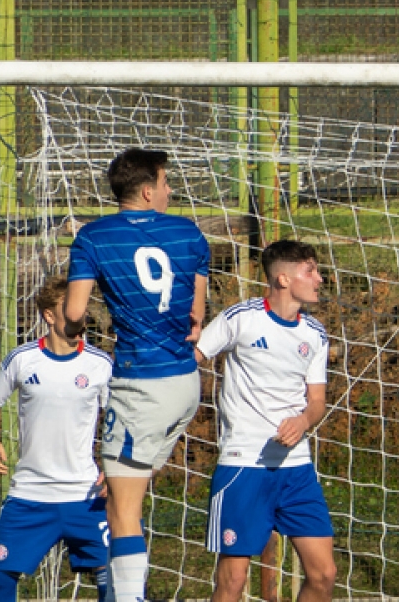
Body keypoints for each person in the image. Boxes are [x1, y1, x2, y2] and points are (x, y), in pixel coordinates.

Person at [64, 147, 210, 602]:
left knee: (122, 508)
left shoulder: (93, 237)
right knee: (131, 484)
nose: (170, 191)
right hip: (186, 383)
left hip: (140, 384)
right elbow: (195, 315)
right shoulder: (189, 232)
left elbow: (73, 312)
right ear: (148, 191)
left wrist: (77, 326)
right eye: (167, 184)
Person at [195, 240, 336, 602]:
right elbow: (191, 359)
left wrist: (304, 420)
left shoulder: (315, 334)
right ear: (284, 279)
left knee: (323, 575)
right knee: (233, 581)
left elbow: (317, 402)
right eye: (311, 270)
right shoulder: (240, 318)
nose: (320, 278)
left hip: (297, 470)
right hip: (245, 466)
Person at [0, 276, 114, 602]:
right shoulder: (22, 359)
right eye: (69, 309)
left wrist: (113, 465)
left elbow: (120, 421)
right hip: (30, 493)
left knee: (116, 574)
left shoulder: (100, 364)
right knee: (0, 576)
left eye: (82, 308)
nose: (79, 315)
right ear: (50, 316)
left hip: (86, 493)